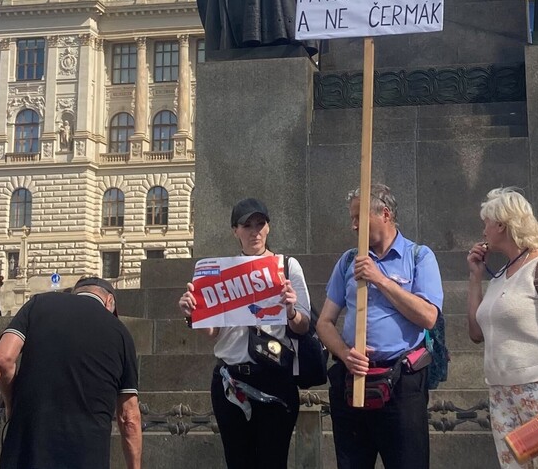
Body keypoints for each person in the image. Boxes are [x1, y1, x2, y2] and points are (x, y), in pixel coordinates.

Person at [316, 184, 443, 469]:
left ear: (384, 214)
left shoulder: (419, 257)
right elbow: (324, 322)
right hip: (353, 381)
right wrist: (344, 354)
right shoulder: (348, 261)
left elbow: (428, 316)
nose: (353, 226)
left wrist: (381, 280)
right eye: (351, 218)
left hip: (401, 385)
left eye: (358, 218)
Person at [178, 198, 312, 469]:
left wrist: (290, 310)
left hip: (275, 377)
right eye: (247, 225)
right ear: (234, 231)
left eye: (260, 224)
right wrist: (191, 313)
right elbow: (212, 331)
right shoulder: (218, 272)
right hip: (231, 380)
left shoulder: (287, 266)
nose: (255, 231)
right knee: (238, 462)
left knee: (273, 462)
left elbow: (304, 325)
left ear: (269, 228)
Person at [466, 188, 538, 469]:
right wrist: (475, 278)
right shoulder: (501, 278)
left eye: (486, 223)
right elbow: (475, 333)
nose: (483, 230)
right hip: (501, 391)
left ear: (501, 225)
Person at [0, 276, 142, 469]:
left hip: (26, 445)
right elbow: (129, 417)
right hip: (87, 453)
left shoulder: (39, 304)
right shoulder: (122, 334)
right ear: (109, 302)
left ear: (76, 293)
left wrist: (11, 401)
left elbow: (2, 358)